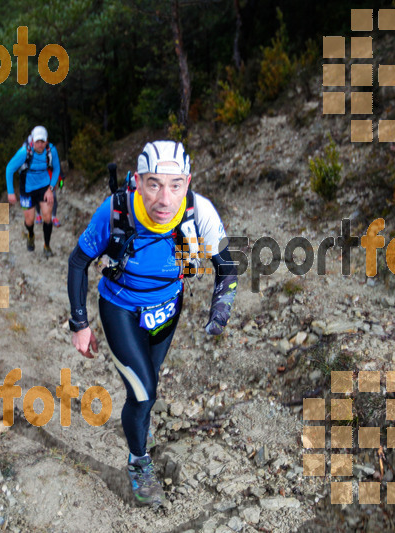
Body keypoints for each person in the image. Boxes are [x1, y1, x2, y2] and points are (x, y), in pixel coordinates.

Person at [66, 140, 238, 507]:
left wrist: (220, 311)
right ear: (138, 181)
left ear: (187, 182)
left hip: (167, 311)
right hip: (120, 309)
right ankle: (138, 461)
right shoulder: (117, 212)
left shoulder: (198, 212)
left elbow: (228, 266)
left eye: (175, 185)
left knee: (145, 388)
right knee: (144, 391)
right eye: (154, 184)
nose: (164, 198)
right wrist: (79, 324)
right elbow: (78, 262)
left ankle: (137, 436)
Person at [6, 125, 60, 257]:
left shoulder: (51, 150)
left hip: (44, 187)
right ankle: (30, 234)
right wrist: (11, 192)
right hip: (27, 189)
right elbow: (9, 169)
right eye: (37, 142)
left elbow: (57, 169)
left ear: (46, 141)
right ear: (32, 141)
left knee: (47, 216)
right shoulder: (24, 152)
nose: (40, 145)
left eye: (42, 141)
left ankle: (47, 245)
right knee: (29, 220)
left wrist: (50, 189)